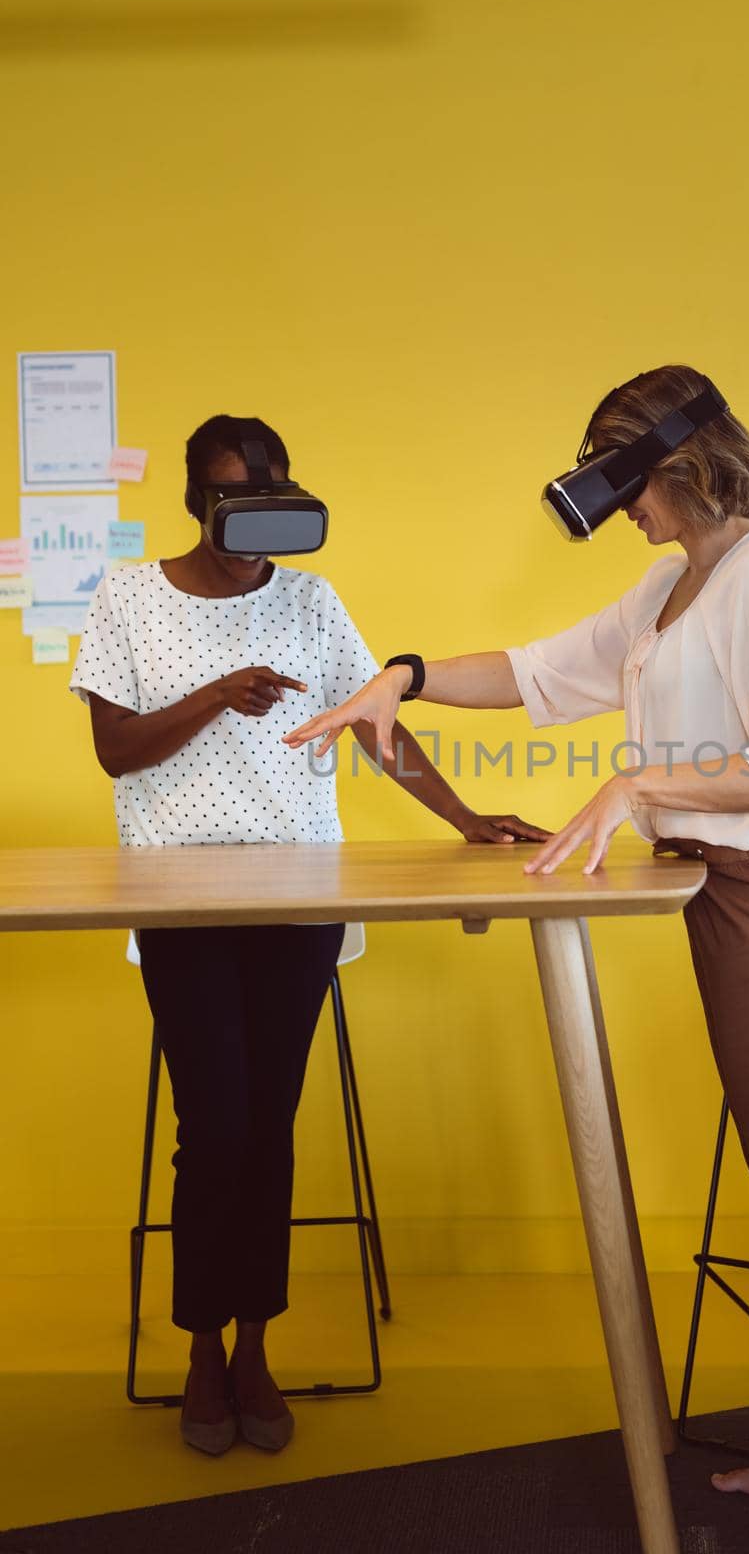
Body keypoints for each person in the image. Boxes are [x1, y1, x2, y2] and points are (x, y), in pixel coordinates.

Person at [282, 366, 749, 1554]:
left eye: (627, 484)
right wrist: (399, 677)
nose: (622, 512)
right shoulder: (673, 587)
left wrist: (636, 780)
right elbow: (531, 673)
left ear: (675, 462)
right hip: (728, 910)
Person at [70, 414, 547, 1457]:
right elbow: (114, 751)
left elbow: (378, 722)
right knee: (215, 1127)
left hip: (299, 894)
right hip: (180, 899)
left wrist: (465, 819)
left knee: (269, 1124)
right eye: (232, 497)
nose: (251, 520)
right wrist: (214, 693)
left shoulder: (311, 599)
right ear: (196, 500)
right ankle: (199, 1345)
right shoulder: (128, 597)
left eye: (269, 496)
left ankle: (254, 1346)